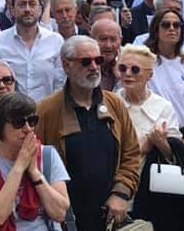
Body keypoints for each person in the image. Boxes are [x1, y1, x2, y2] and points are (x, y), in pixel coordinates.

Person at [35, 35, 139, 231]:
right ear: (66, 66)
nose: (94, 66)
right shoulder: (45, 111)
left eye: (98, 60)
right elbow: (35, 163)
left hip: (109, 216)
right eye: (85, 61)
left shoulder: (114, 104)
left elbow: (131, 154)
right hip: (66, 218)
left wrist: (121, 192)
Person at [0, 92, 71, 230]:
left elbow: (60, 213)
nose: (28, 129)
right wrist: (20, 166)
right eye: (19, 123)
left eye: (32, 121)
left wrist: (35, 173)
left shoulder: (47, 154)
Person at [115, 44, 184, 230]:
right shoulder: (111, 102)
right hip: (115, 187)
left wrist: (160, 142)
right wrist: (143, 146)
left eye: (135, 69)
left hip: (149, 190)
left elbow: (175, 158)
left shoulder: (163, 107)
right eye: (123, 68)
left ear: (149, 75)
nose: (128, 74)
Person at [0, 0, 65, 102]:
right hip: (11, 113)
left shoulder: (56, 41)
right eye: (22, 4)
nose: (27, 9)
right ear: (12, 10)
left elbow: (61, 82)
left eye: (32, 4)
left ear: (40, 9)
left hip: (47, 113)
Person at [144, 8, 184, 146]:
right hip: (153, 134)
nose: (172, 29)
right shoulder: (145, 61)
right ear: (155, 30)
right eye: (165, 25)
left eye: (177, 25)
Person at [90, 18, 123, 91]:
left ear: (120, 40)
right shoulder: (83, 65)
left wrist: (121, 78)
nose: (108, 45)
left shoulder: (131, 65)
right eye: (103, 39)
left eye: (113, 39)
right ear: (92, 40)